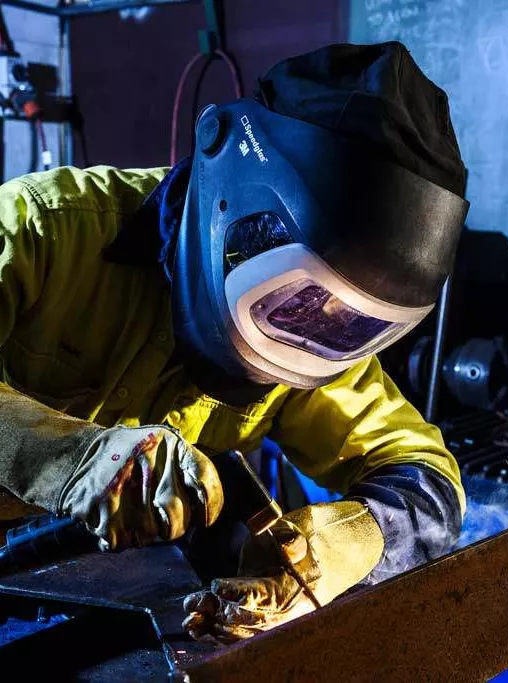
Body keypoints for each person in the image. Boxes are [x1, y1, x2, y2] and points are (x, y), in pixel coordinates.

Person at [0, 41, 468, 641]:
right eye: (290, 294)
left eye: (350, 323)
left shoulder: (313, 346)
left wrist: (339, 545)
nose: (300, 336)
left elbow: (427, 478)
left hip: (94, 597)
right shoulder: (44, 229)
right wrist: (69, 458)